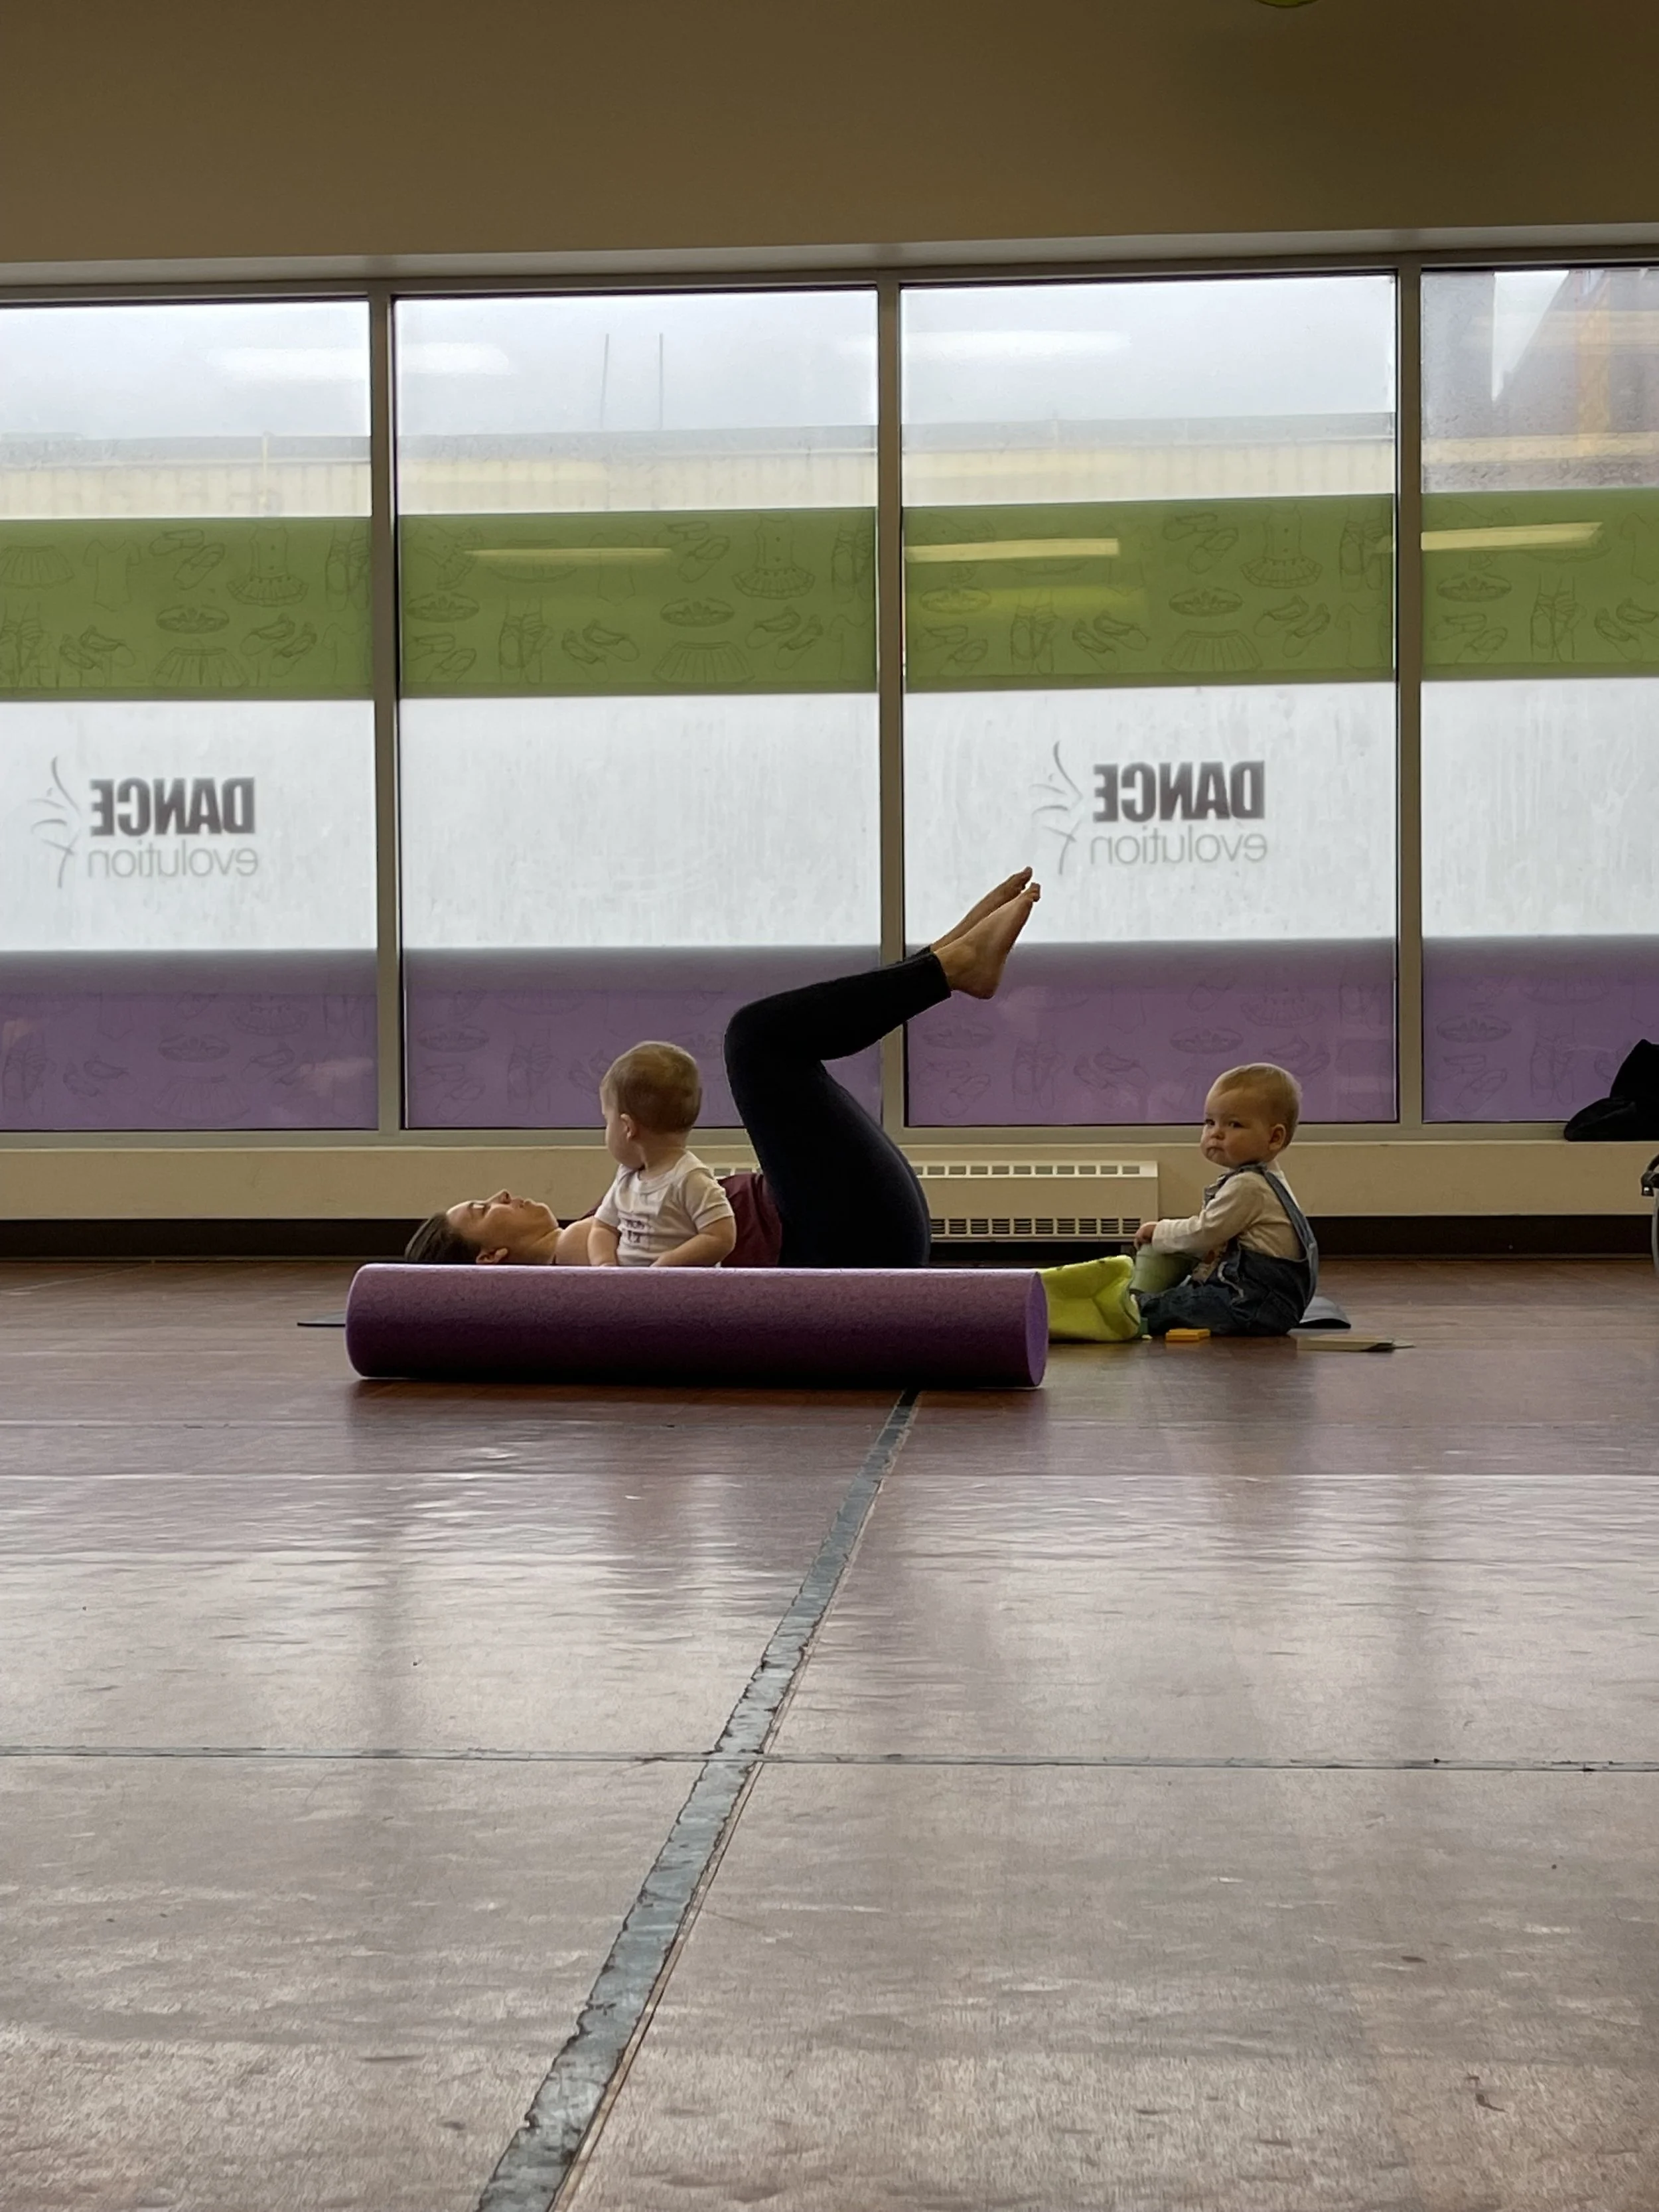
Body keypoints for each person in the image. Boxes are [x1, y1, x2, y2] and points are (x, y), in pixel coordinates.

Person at [402, 870, 1041, 1270]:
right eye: (485, 1208)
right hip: (838, 1242)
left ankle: (942, 962)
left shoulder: (610, 1215)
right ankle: (945, 968)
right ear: (492, 1258)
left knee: (767, 1046)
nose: (504, 1194)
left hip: (850, 1224)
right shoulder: (581, 1257)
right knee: (755, 1041)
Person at [1045, 1062, 1315, 1341]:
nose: (1216, 1133)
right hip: (1268, 1304)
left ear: (1274, 1138)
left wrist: (1160, 1231)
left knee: (1167, 1306)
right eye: (1210, 1122)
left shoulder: (1249, 1187)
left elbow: (1203, 1233)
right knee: (1183, 1290)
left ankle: (1116, 1313)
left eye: (1234, 1124)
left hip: (1250, 1305)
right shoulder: (1266, 1180)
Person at [587, 1041, 737, 1269]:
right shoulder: (626, 1178)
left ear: (628, 1127)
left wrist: (669, 1265)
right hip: (631, 1292)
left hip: (681, 1295)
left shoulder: (690, 1178)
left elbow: (722, 1236)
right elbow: (602, 1228)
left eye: (607, 1121)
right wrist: (605, 1265)